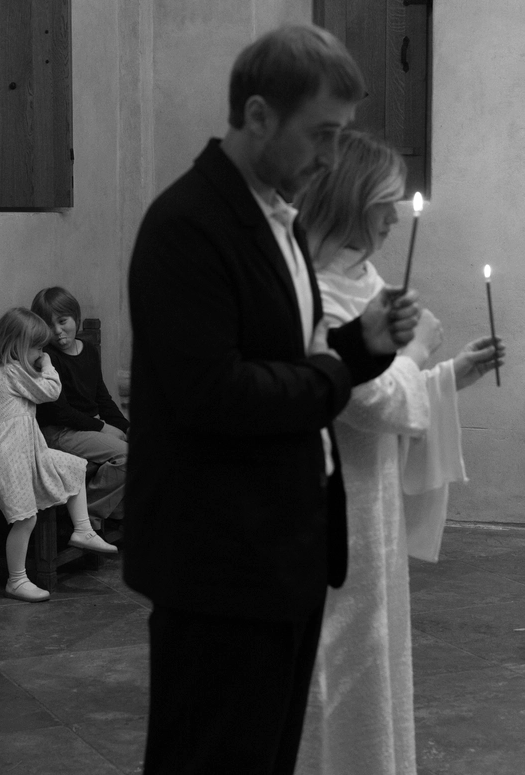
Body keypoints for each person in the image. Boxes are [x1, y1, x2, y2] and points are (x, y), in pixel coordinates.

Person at [124, 25, 421, 775]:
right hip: (219, 563)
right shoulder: (188, 224)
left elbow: (287, 357)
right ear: (258, 115)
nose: (331, 156)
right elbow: (213, 393)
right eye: (322, 133)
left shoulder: (274, 217)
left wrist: (361, 344)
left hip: (282, 553)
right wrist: (337, 375)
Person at [296, 130, 505, 775]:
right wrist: (416, 353)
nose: (394, 216)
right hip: (337, 504)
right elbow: (362, 399)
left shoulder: (364, 277)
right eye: (384, 202)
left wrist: (449, 377)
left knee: (376, 653)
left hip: (375, 496)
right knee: (340, 660)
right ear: (351, 200)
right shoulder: (314, 288)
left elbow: (391, 387)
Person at [0, 308, 118, 604]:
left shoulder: (16, 370)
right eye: (37, 348)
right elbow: (52, 391)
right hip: (7, 456)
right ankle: (16, 580)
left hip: (27, 449)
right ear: (17, 345)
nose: (41, 354)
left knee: (73, 467)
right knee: (25, 519)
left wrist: (39, 361)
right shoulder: (10, 372)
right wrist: (49, 364)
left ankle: (83, 529)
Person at [31, 287, 128, 528]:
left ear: (76, 318)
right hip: (58, 432)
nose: (57, 331)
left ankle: (114, 513)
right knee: (126, 456)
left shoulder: (89, 350)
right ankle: (85, 519)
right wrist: (104, 428)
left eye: (63, 321)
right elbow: (60, 412)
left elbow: (102, 398)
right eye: (49, 325)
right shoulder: (47, 358)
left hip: (86, 428)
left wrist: (126, 428)